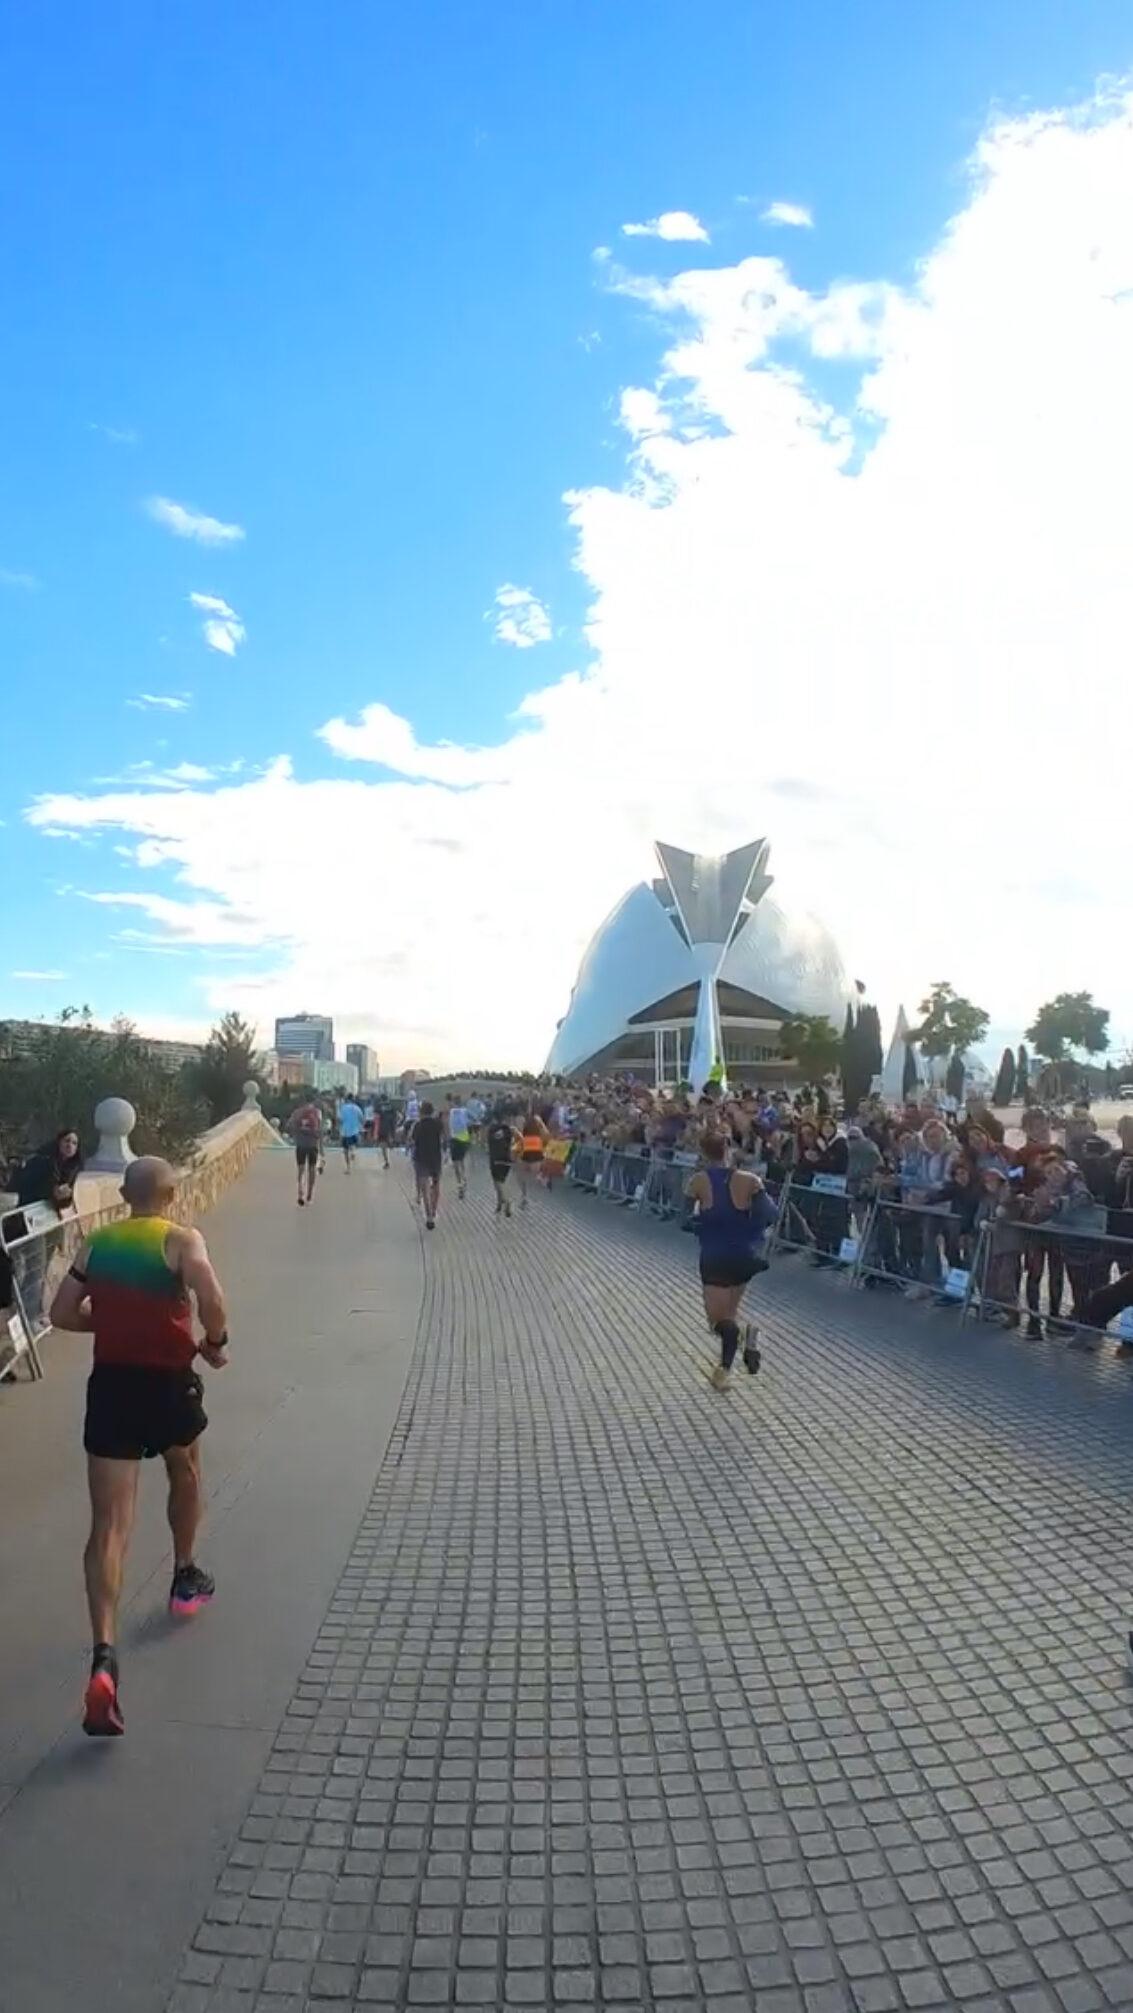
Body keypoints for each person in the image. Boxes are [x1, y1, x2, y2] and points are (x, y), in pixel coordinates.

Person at [47, 1156, 229, 1738]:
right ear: (173, 1196)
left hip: (113, 1386)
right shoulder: (180, 1239)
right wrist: (214, 1341)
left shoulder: (97, 1245)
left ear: (125, 1195)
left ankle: (104, 1655)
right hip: (169, 1383)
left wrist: (117, 1323)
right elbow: (210, 1292)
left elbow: (60, 1314)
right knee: (186, 1471)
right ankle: (184, 1573)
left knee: (108, 1525)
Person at [685, 1132, 778, 1391]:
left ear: (702, 1153)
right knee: (730, 1316)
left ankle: (724, 1370)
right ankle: (748, 1337)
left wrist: (700, 1225)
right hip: (744, 1255)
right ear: (729, 1150)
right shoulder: (750, 1180)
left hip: (715, 1255)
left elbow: (684, 1218)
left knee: (717, 1321)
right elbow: (771, 1214)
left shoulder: (698, 1181)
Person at [16, 1126, 83, 1211]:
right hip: (31, 1207)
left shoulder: (75, 1167)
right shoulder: (43, 1159)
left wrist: (65, 1196)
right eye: (67, 1141)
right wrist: (52, 1190)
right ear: (59, 1142)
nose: (70, 1145)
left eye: (74, 1143)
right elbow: (30, 1186)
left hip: (52, 1210)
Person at [411, 1100, 444, 1229]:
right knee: (435, 1185)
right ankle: (434, 1210)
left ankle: (428, 1215)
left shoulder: (418, 1125)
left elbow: (412, 1140)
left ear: (421, 1112)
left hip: (421, 1158)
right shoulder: (438, 1124)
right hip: (435, 1158)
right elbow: (444, 1137)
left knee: (424, 1187)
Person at [486, 1108, 521, 1217]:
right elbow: (518, 1138)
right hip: (506, 1158)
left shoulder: (491, 1129)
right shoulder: (508, 1129)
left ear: (494, 1118)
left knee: (498, 1182)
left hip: (495, 1159)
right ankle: (499, 1203)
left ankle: (506, 1201)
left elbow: (486, 1143)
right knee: (502, 1181)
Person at [288, 1098, 323, 1206]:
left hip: (301, 1145)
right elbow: (320, 1131)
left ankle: (300, 1193)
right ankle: (310, 1195)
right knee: (312, 1169)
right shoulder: (317, 1113)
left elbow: (290, 1126)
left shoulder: (297, 1113)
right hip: (313, 1145)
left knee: (301, 1169)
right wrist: (321, 1149)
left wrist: (296, 1137)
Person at [516, 1106, 550, 1210]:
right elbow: (546, 1134)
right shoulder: (527, 1121)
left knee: (527, 1174)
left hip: (532, 1150)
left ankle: (526, 1196)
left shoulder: (533, 1121)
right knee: (523, 1174)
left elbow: (546, 1134)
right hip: (530, 1149)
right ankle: (524, 1197)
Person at [446, 1093, 472, 1200]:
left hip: (454, 1139)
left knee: (456, 1162)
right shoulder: (465, 1111)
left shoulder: (451, 1112)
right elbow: (470, 1122)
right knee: (462, 1161)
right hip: (464, 1138)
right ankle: (464, 1178)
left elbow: (448, 1125)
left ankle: (460, 1182)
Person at [337, 1094, 364, 1172]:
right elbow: (362, 1118)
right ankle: (353, 1152)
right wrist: (360, 1126)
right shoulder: (357, 1108)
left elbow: (340, 1119)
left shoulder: (343, 1108)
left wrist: (340, 1126)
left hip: (345, 1131)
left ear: (346, 1099)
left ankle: (348, 1168)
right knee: (353, 1145)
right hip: (355, 1131)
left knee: (345, 1150)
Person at [376, 1097, 398, 1169]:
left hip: (382, 1129)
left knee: (384, 1147)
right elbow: (396, 1117)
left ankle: (387, 1162)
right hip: (391, 1129)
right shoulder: (393, 1107)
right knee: (390, 1146)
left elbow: (377, 1119)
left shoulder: (379, 1107)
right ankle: (392, 1161)